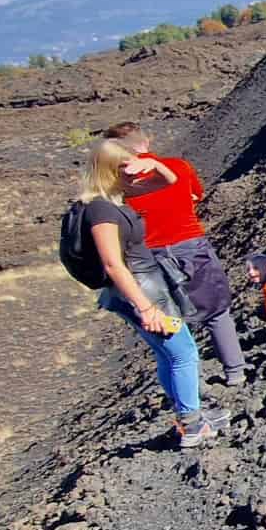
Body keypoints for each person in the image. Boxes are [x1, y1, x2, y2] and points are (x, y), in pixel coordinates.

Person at [78, 138, 222, 449]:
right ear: (108, 170)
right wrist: (145, 308)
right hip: (141, 291)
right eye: (124, 167)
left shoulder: (116, 196)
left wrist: (153, 163)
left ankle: (190, 415)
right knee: (183, 353)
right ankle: (192, 424)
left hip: (144, 287)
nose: (133, 173)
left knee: (168, 353)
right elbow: (113, 265)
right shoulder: (102, 210)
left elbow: (168, 181)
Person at [103, 121, 247, 387]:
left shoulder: (116, 185)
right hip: (190, 247)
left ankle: (187, 385)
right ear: (146, 140)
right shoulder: (177, 167)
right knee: (216, 312)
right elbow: (195, 195)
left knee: (168, 320)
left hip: (145, 257)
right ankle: (235, 372)